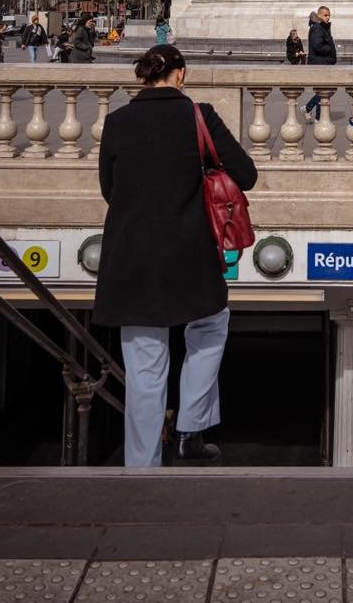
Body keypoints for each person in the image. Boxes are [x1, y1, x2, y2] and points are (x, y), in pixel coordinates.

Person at [93, 44, 258, 467]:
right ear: (180, 74)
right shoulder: (199, 116)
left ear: (145, 77)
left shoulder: (116, 121)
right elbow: (247, 175)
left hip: (130, 258)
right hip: (189, 254)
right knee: (209, 327)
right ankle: (190, 430)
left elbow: (110, 190)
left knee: (145, 367)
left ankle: (141, 465)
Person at [304, 6, 336, 121]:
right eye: (325, 15)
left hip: (324, 63)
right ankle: (314, 114)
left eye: (329, 15)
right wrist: (330, 49)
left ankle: (310, 110)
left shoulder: (322, 27)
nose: (328, 17)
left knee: (324, 91)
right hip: (320, 63)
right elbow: (318, 46)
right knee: (324, 91)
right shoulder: (317, 28)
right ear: (319, 15)